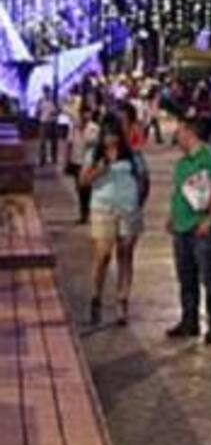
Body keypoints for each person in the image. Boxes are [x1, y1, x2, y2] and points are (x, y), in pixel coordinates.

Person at [166, 116, 211, 344]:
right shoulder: (182, 163)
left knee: (210, 278)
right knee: (186, 277)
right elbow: (178, 193)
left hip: (202, 229)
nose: (177, 136)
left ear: (190, 133)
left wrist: (210, 220)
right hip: (182, 226)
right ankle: (189, 320)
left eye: (180, 131)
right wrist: (172, 217)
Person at [79, 116, 143, 327]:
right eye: (107, 135)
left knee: (125, 254)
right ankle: (96, 296)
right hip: (102, 208)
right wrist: (98, 170)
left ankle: (122, 301)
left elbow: (143, 178)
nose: (110, 139)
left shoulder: (132, 156)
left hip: (128, 209)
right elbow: (83, 181)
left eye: (114, 135)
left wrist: (137, 201)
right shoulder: (93, 154)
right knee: (103, 255)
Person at [36, 86, 59, 166]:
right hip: (43, 123)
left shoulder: (54, 100)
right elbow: (37, 112)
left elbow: (58, 110)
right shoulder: (40, 101)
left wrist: (54, 113)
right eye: (45, 91)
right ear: (43, 92)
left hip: (53, 123)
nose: (47, 93)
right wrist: (40, 116)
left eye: (48, 91)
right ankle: (42, 159)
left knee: (54, 142)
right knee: (42, 142)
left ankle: (54, 158)